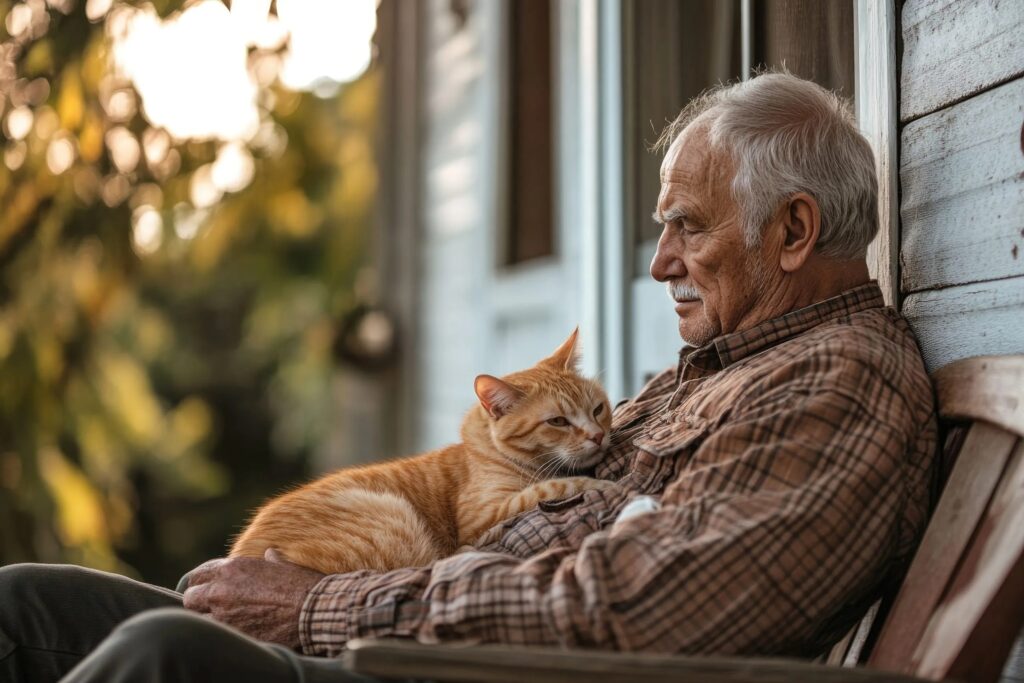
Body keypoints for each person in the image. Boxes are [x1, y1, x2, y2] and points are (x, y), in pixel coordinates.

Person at [0, 71, 936, 682]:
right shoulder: (732, 365)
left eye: (687, 225)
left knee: (160, 658)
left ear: (794, 232)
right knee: (26, 603)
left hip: (461, 668)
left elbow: (638, 607)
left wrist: (323, 604)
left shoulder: (835, 385)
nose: (660, 262)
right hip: (430, 632)